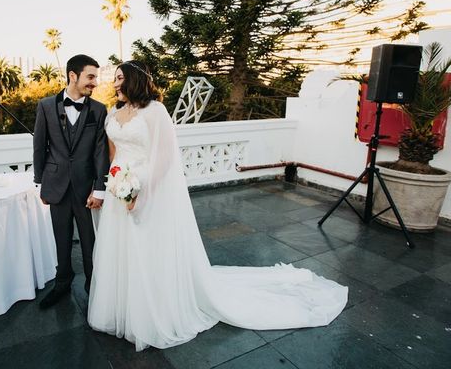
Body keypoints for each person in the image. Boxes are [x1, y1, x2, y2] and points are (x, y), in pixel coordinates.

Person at [87, 60, 348, 351]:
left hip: (147, 186)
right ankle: (122, 306)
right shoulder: (114, 112)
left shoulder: (155, 111)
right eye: (114, 79)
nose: (114, 84)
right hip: (119, 187)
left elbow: (164, 158)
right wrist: (116, 183)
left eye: (120, 78)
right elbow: (114, 154)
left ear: (134, 79)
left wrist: (140, 189)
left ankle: (151, 309)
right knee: (120, 248)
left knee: (147, 246)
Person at [33, 54, 109, 309]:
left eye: (95, 77)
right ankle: (62, 284)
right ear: (72, 76)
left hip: (86, 188)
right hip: (56, 186)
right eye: (90, 76)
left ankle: (93, 288)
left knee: (90, 242)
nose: (94, 83)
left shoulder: (99, 110)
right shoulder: (45, 106)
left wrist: (99, 188)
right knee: (61, 239)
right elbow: (39, 146)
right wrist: (40, 182)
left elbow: (101, 152)